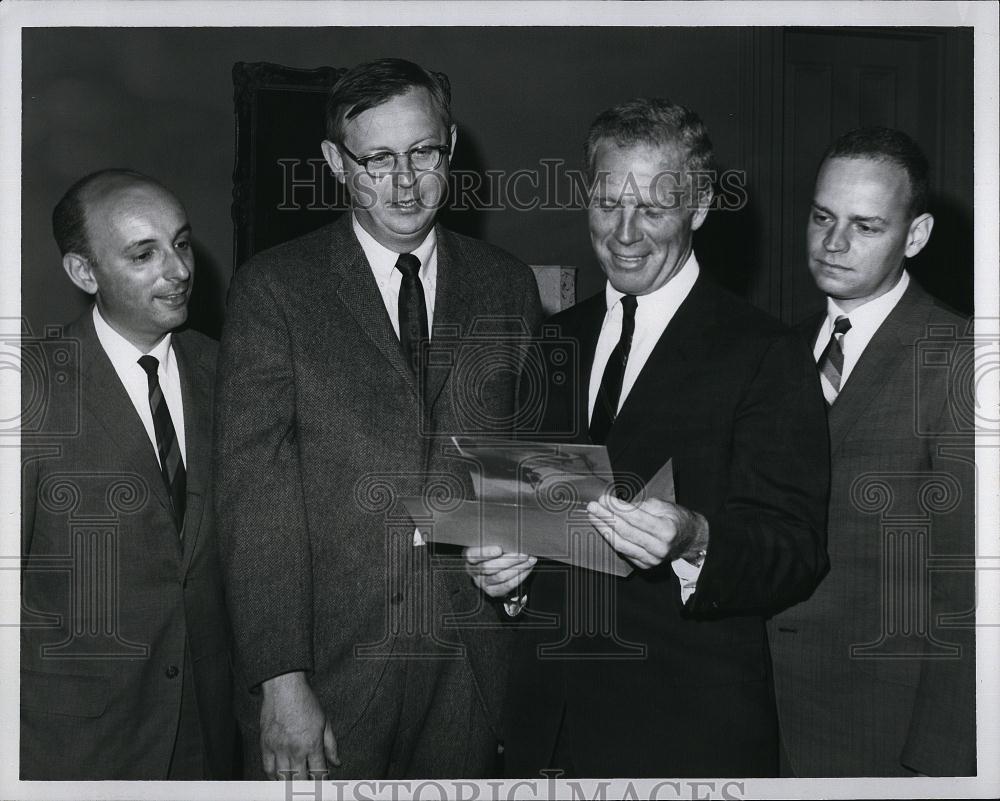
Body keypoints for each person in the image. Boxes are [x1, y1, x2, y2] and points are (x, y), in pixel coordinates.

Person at [467, 97, 831, 778]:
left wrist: (697, 538)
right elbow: (526, 515)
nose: (625, 234)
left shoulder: (763, 351)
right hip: (546, 730)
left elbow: (797, 547)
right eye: (607, 204)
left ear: (698, 208)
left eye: (654, 210)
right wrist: (507, 575)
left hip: (686, 736)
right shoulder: (552, 340)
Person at [214, 58, 543, 780]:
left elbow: (517, 470)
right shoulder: (273, 291)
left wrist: (517, 571)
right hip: (328, 675)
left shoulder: (507, 285)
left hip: (469, 669)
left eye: (423, 152)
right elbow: (253, 505)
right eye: (377, 159)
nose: (404, 182)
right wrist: (281, 679)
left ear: (451, 146)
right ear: (336, 162)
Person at [768, 127, 976, 776]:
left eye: (865, 226)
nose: (833, 243)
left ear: (914, 237)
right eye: (823, 217)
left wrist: (934, 767)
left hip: (883, 736)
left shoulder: (959, 358)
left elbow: (967, 595)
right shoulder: (776, 349)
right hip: (765, 714)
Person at [20, 169, 235, 779]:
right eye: (145, 254)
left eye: (183, 243)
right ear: (84, 273)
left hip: (209, 740)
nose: (180, 270)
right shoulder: (28, 390)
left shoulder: (229, 372)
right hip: (74, 748)